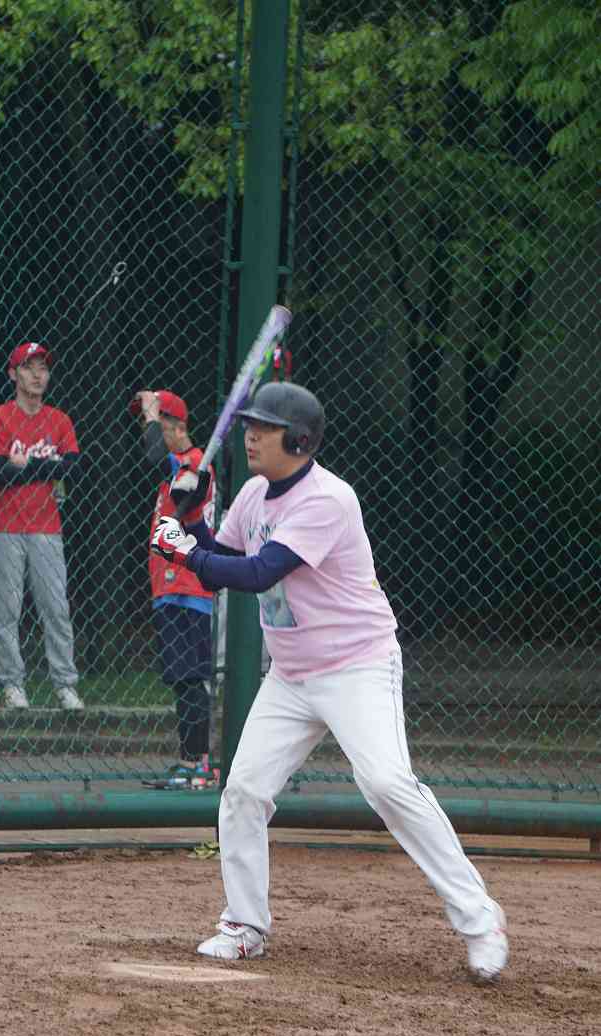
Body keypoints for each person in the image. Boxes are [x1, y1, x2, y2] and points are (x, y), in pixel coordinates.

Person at [151, 381, 508, 983]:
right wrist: (191, 517)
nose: (251, 436)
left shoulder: (327, 499)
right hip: (291, 675)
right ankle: (244, 926)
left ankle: (480, 919)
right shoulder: (254, 494)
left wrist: (182, 548)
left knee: (387, 784)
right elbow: (219, 562)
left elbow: (258, 573)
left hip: (356, 667)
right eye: (250, 426)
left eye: (265, 428)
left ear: (299, 441)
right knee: (243, 791)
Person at [0, 341, 84, 711]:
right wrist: (47, 467)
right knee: (7, 611)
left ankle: (65, 684)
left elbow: (73, 469)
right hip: (2, 525)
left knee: (56, 608)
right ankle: (12, 685)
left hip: (46, 526)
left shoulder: (59, 420)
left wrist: (26, 465)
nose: (38, 375)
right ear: (13, 374)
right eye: (28, 367)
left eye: (43, 368)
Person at [131, 388, 217, 789]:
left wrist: (152, 416)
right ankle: (189, 760)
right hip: (169, 586)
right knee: (182, 678)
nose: (147, 428)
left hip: (187, 586)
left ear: (178, 427)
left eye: (156, 421)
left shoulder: (194, 462)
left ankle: (198, 764)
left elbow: (152, 457)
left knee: (191, 677)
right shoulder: (177, 467)